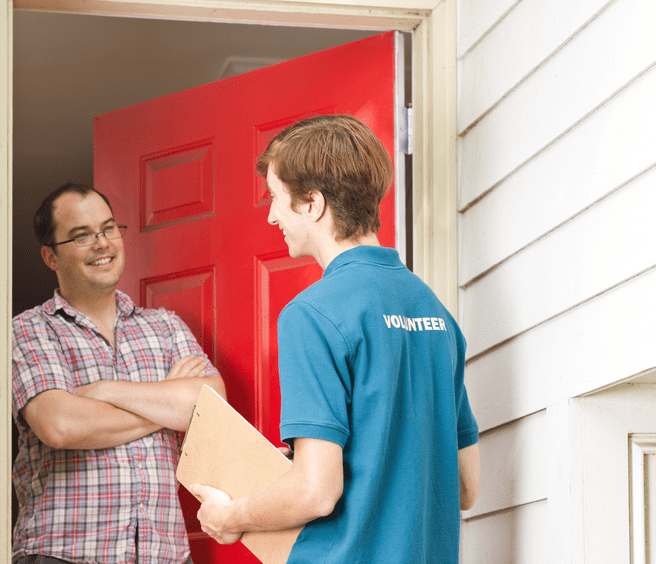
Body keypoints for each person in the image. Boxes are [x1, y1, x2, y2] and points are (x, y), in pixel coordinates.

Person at [189, 114, 480, 563]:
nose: (271, 216)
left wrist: (232, 516)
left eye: (275, 198)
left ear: (312, 204)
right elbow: (465, 487)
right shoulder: (437, 315)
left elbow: (315, 491)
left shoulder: (311, 314)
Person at [12, 183, 226, 564]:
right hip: (63, 555)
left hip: (164, 555)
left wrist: (104, 391)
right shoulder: (28, 330)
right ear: (50, 256)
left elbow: (212, 407)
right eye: (81, 236)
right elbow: (60, 426)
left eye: (108, 229)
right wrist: (165, 404)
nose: (102, 243)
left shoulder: (165, 326)